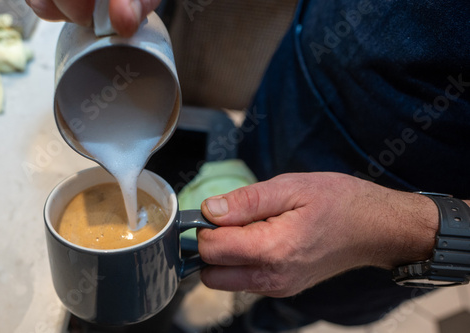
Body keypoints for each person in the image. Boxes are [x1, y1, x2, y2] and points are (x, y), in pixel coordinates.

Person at [27, 0, 470, 331]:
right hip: (298, 83)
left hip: (411, 201)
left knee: (290, 307)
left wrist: (405, 230)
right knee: (245, 236)